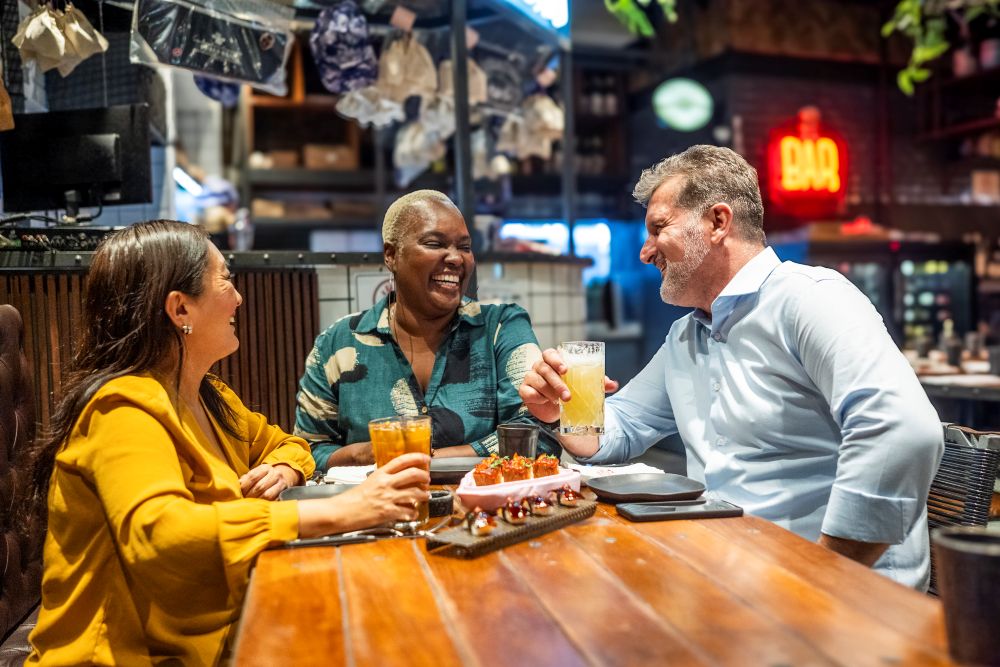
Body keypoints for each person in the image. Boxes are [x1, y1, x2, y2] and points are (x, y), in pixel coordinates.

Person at [520, 145, 943, 590]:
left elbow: (902, 429)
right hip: (728, 572)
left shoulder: (810, 299)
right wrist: (561, 409)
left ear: (718, 223)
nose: (645, 252)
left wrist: (826, 571)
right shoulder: (686, 334)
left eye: (658, 228)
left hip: (840, 595)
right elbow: (620, 430)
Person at [27, 221, 429, 664]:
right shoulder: (122, 409)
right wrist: (343, 510)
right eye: (225, 280)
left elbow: (290, 444)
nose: (238, 297)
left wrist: (284, 470)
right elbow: (162, 535)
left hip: (213, 635)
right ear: (180, 309)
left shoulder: (206, 395)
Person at [295, 190, 554, 470]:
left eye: (465, 247)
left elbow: (537, 433)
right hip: (378, 499)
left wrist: (418, 460)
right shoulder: (337, 343)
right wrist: (365, 454)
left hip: (484, 498)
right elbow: (308, 452)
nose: (456, 258)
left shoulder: (500, 328)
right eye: (434, 243)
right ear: (391, 255)